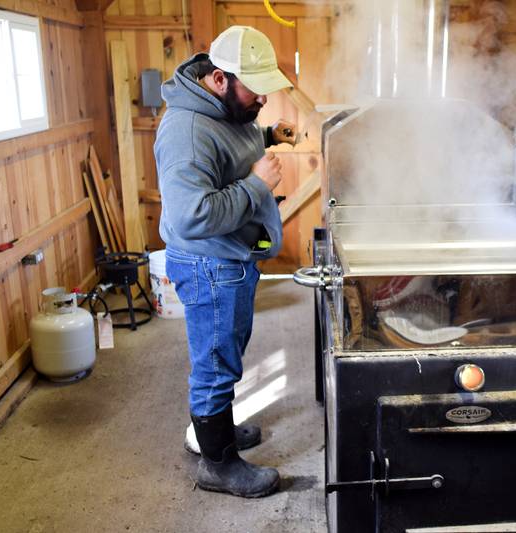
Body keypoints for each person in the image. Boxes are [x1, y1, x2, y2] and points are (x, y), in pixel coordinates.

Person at [154, 25, 297, 498]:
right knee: (216, 364)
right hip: (210, 265)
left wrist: (267, 134)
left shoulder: (222, 107)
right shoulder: (185, 132)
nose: (263, 100)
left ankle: (216, 433)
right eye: (255, 92)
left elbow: (232, 137)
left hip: (230, 260)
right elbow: (193, 215)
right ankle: (217, 464)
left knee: (225, 354)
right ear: (219, 78)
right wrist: (258, 185)